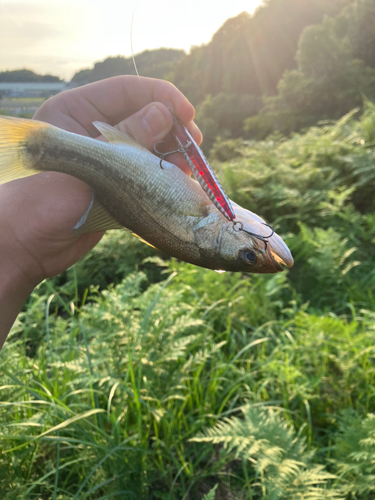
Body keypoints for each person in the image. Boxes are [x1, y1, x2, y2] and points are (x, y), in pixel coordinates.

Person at [0, 76, 202, 348]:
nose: (259, 248)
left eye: (249, 255)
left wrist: (16, 246)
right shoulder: (209, 213)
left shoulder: (207, 217)